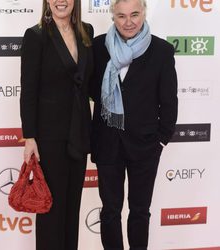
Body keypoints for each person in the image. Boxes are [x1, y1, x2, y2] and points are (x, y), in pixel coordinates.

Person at [90, 0, 178, 249]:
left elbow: (169, 100)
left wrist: (161, 139)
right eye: (121, 16)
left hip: (146, 146)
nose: (128, 22)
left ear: (144, 14)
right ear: (113, 17)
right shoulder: (98, 47)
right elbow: (89, 89)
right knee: (109, 211)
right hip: (107, 142)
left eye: (134, 14)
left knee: (140, 211)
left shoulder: (161, 50)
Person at [20, 0, 93, 249]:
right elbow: (28, 90)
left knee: (72, 208)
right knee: (51, 210)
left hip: (79, 134)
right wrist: (29, 137)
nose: (61, 1)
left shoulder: (87, 31)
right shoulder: (36, 36)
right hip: (49, 138)